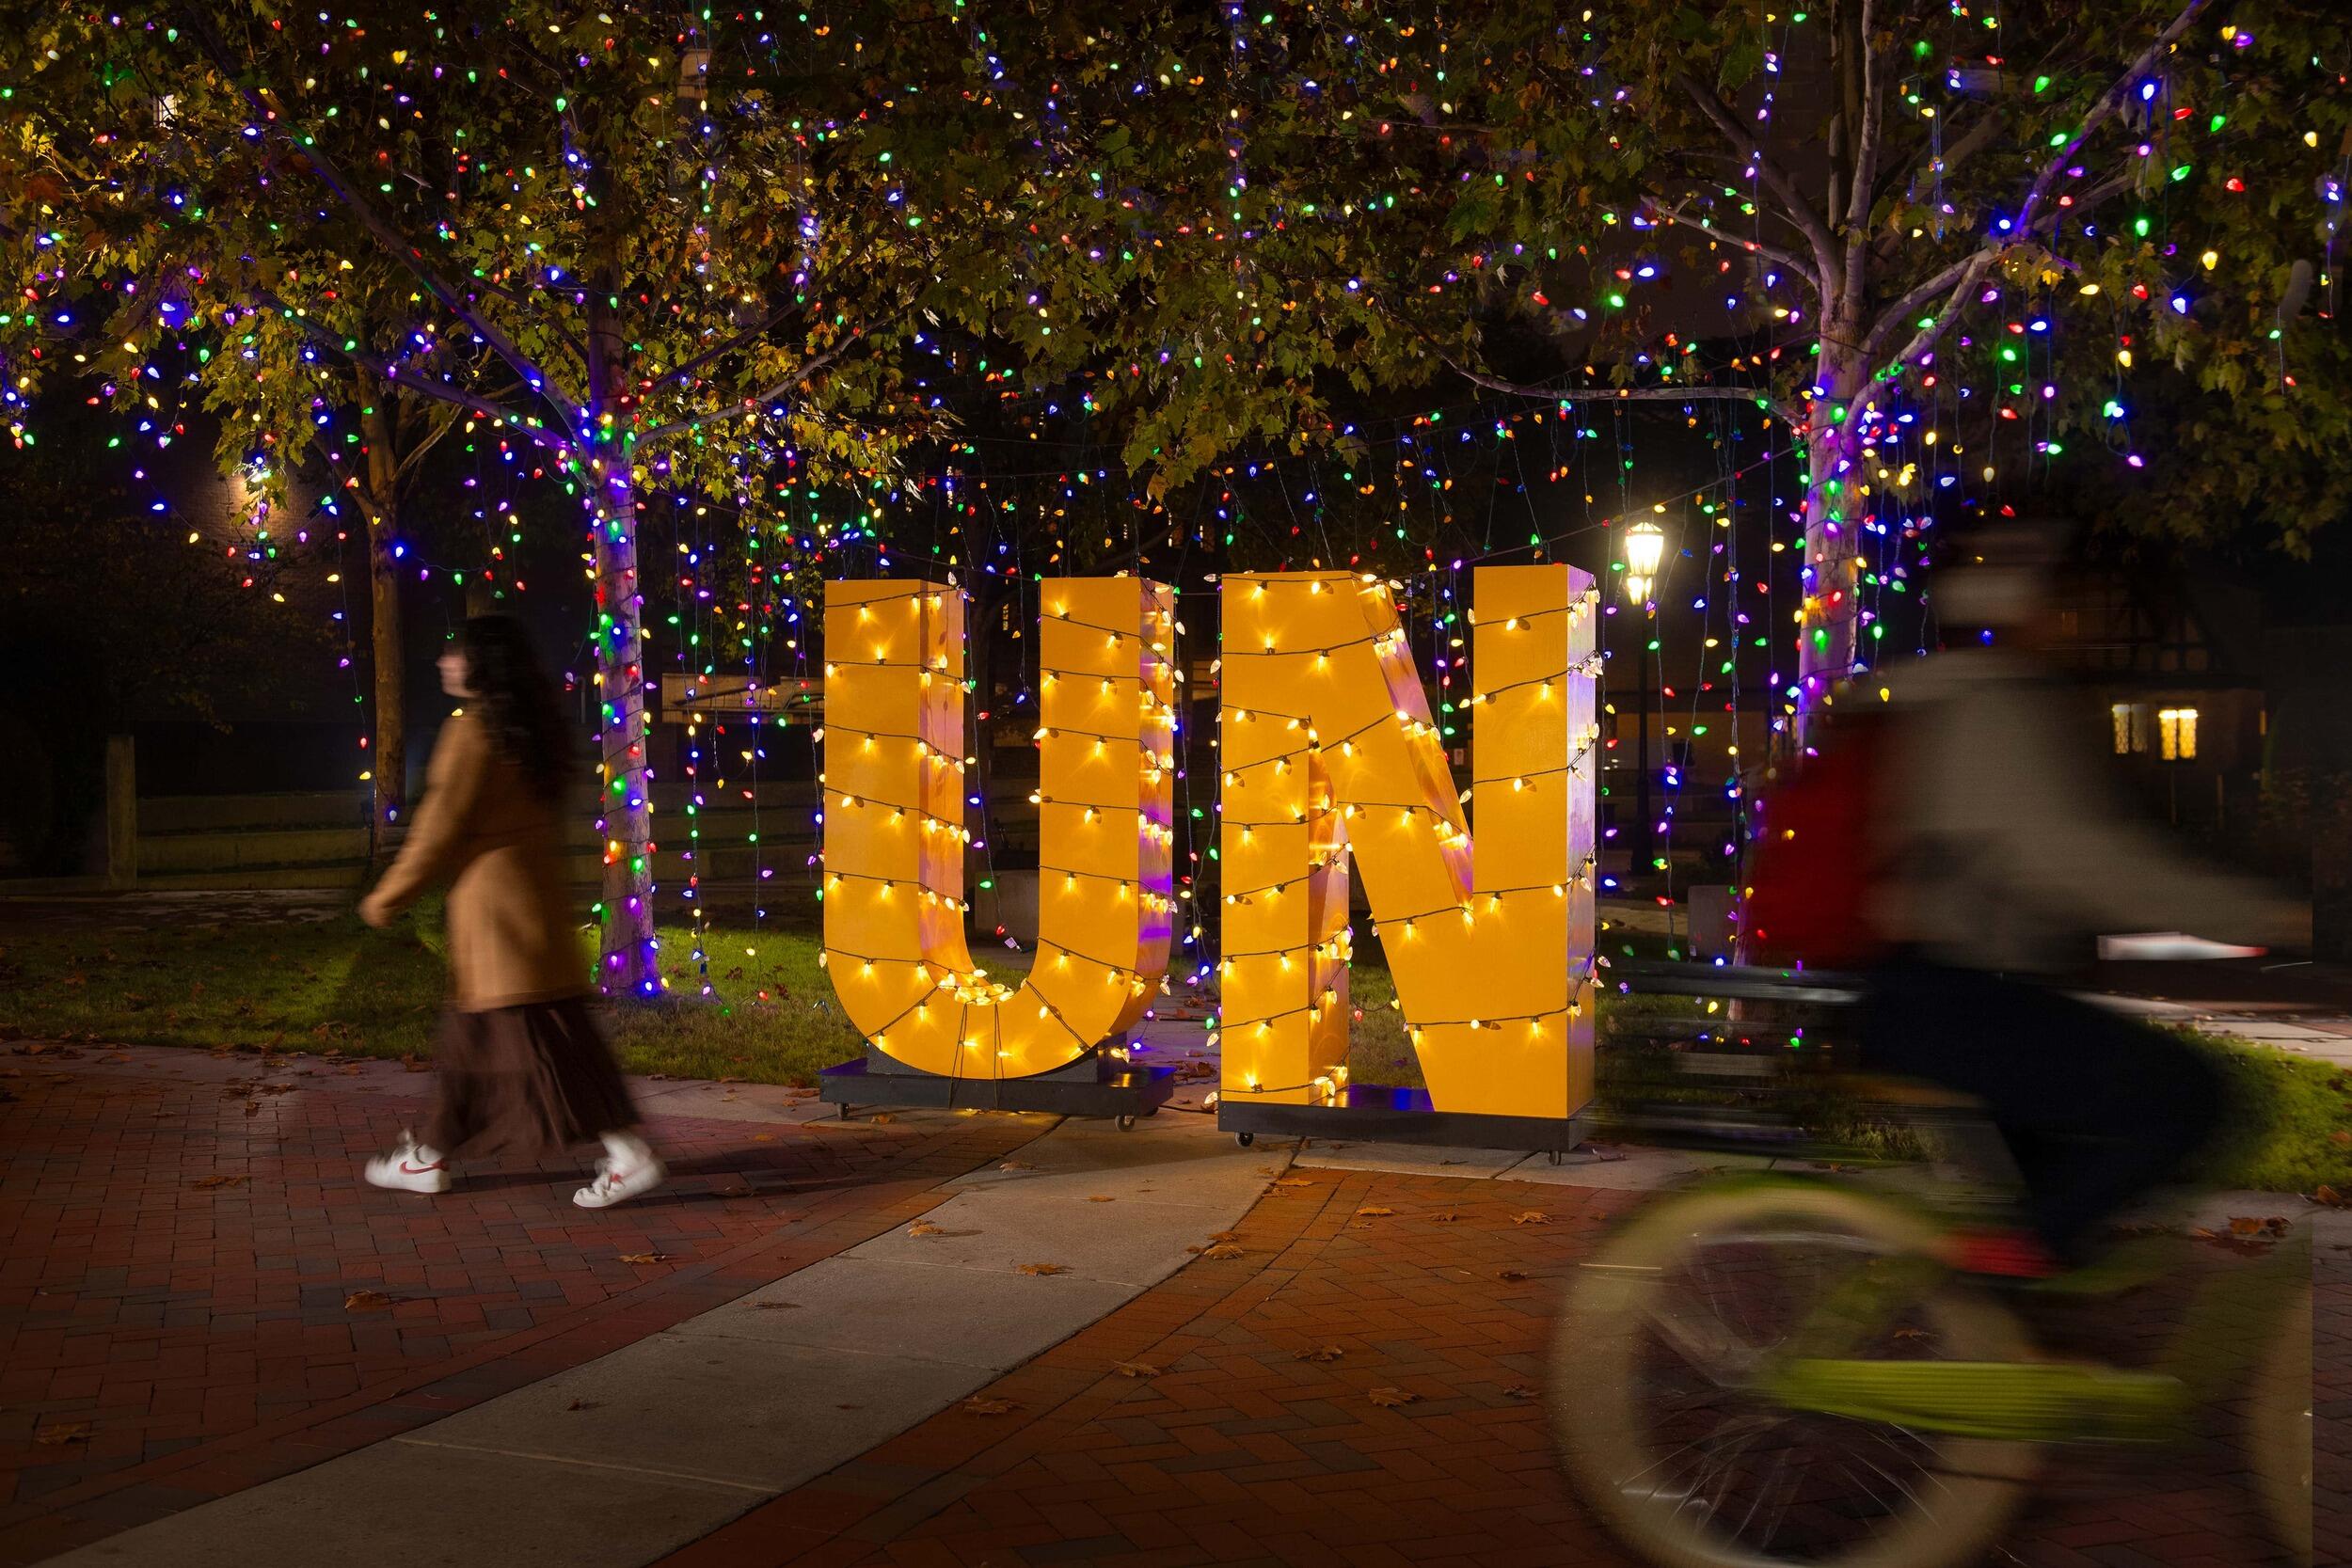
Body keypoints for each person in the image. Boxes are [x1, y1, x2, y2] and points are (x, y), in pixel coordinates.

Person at [1849, 524, 2307, 1275]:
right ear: (2025, 607)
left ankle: (2010, 1302)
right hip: (1960, 999)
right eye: (2066, 604)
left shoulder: (1942, 698)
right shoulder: (1998, 710)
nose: (2081, 623)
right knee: (2194, 1095)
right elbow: (2078, 865)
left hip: (1932, 991)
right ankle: (2000, 1274)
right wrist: (2266, 914)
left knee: (2056, 1191)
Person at [358, 616, 664, 1209]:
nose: (444, 663)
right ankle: (428, 1157)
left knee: (530, 1051)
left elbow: (437, 830)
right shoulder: (532, 734)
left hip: (495, 923)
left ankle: (628, 1155)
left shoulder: (471, 732)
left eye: (454, 654)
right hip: (535, 912)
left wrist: (385, 898)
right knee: (493, 1048)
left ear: (481, 665)